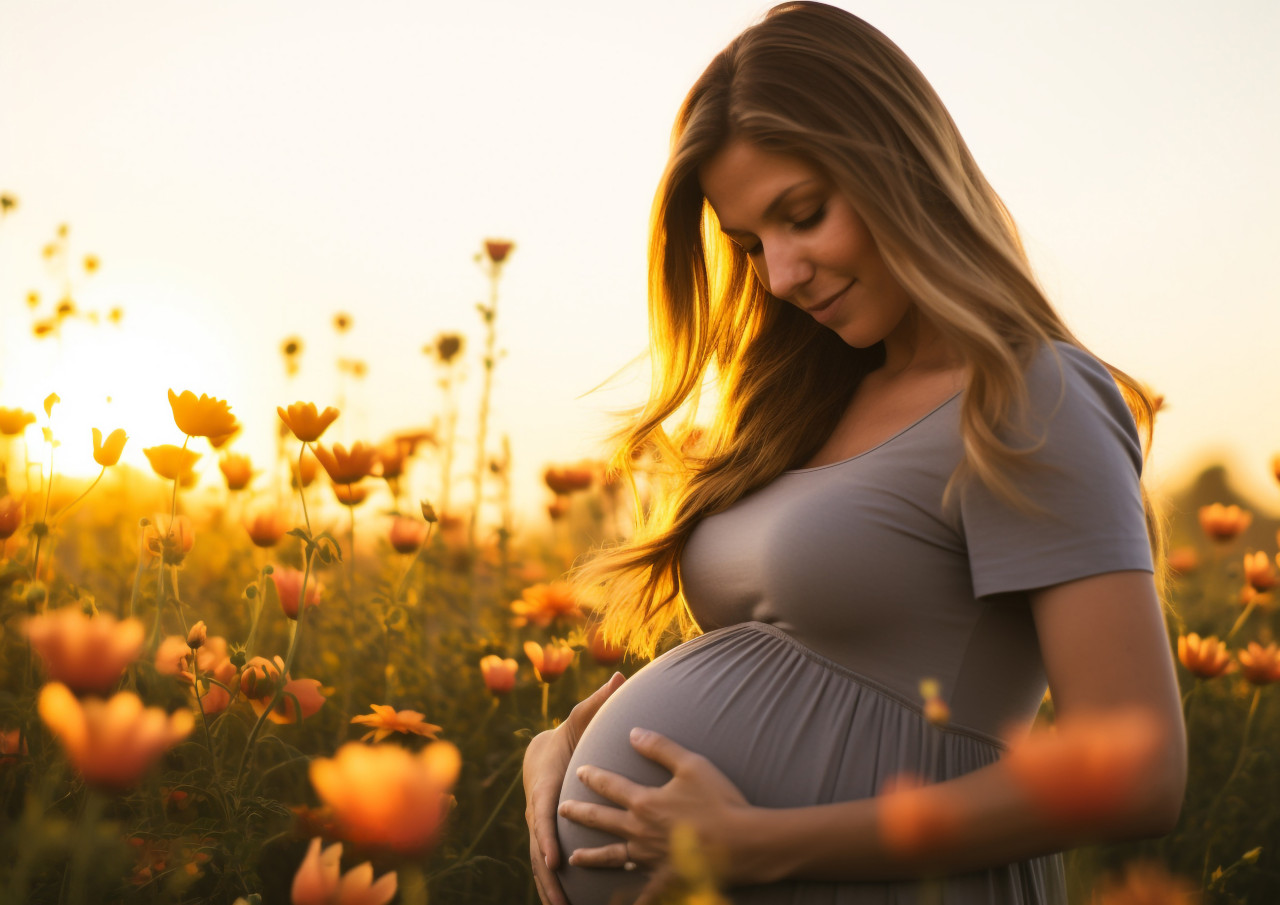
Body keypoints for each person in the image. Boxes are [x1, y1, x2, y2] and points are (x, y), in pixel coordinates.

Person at [522, 3, 1186, 903]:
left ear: (900, 166)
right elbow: (807, 651)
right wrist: (566, 741)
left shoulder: (1028, 396)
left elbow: (1138, 770)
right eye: (751, 244)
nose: (782, 275)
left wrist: (761, 845)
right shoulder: (807, 401)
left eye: (804, 215)